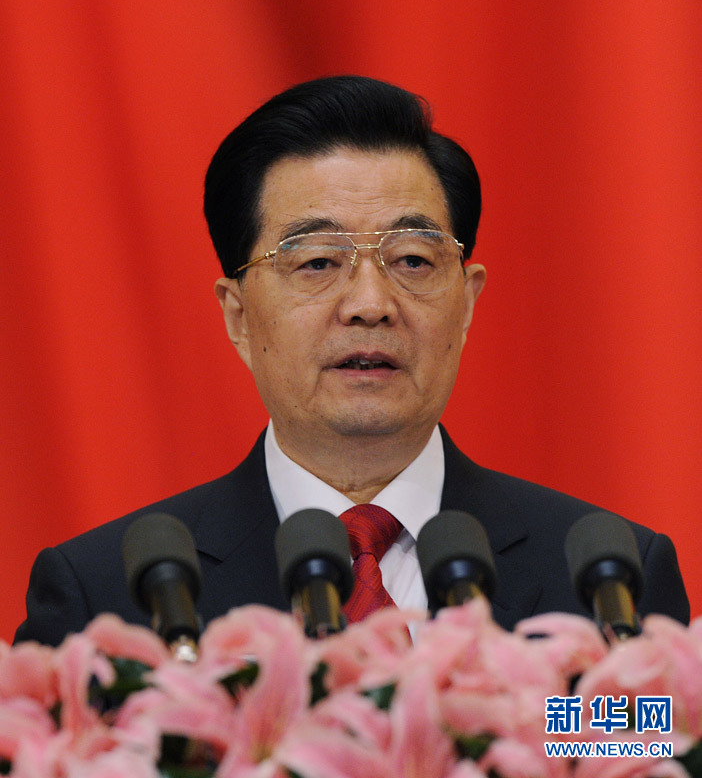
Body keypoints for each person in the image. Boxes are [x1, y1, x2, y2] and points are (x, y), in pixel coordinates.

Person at [15, 76, 689, 647]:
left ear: (467, 300)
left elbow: (640, 749)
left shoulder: (611, 582)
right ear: (238, 314)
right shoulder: (107, 598)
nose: (371, 303)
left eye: (414, 261)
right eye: (317, 263)